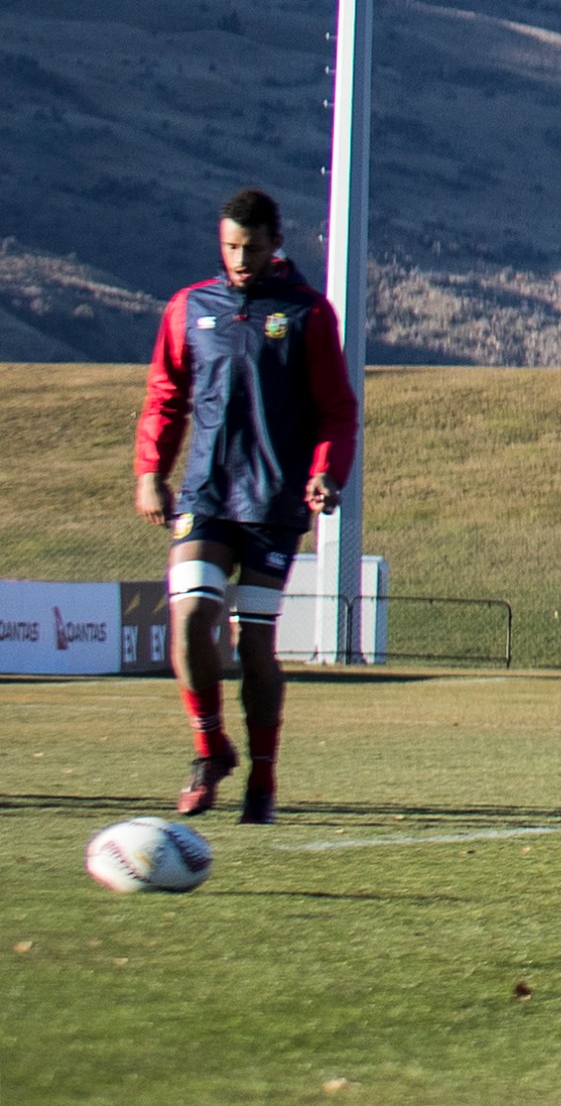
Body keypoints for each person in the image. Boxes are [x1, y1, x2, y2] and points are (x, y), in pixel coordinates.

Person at [132, 188, 356, 824]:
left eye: (251, 248)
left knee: (255, 646)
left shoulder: (307, 314)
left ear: (275, 245)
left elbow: (336, 409)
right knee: (189, 618)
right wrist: (151, 471)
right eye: (229, 246)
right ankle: (210, 751)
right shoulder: (188, 308)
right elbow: (165, 396)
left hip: (274, 501)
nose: (239, 259)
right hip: (206, 495)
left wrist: (324, 474)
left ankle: (262, 779)